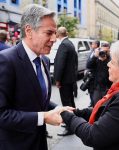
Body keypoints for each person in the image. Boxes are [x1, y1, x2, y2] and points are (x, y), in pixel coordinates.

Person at [0, 4, 73, 150]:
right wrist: (44, 117)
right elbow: (2, 114)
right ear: (29, 31)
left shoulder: (44, 60)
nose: (54, 39)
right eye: (49, 33)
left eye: (55, 33)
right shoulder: (6, 60)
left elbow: (38, 99)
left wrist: (58, 108)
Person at [60, 36, 119, 150]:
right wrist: (78, 113)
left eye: (113, 62)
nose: (108, 64)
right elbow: (108, 113)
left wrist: (68, 117)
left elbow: (93, 136)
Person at [54, 26, 78, 136]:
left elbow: (60, 63)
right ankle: (73, 123)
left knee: (66, 103)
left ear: (58, 35)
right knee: (70, 102)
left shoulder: (63, 45)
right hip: (70, 79)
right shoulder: (70, 43)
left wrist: (57, 79)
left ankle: (70, 127)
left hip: (65, 80)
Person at [86, 40, 111, 106]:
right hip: (96, 86)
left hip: (107, 87)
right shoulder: (96, 57)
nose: (104, 53)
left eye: (106, 51)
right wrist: (95, 56)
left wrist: (106, 60)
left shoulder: (110, 59)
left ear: (109, 50)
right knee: (96, 105)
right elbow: (88, 66)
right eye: (103, 51)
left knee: (105, 106)